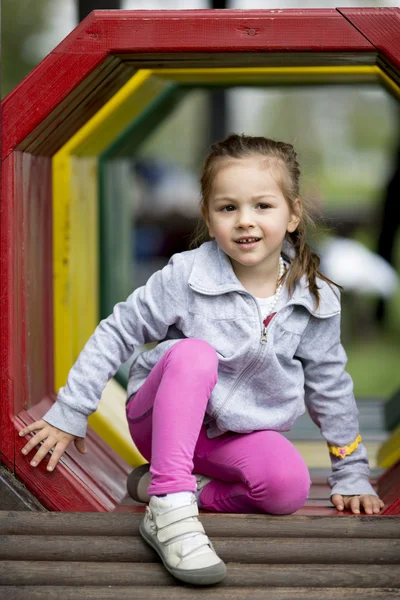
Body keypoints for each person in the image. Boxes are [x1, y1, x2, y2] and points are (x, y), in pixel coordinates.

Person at [18, 134, 384, 586]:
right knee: (195, 354)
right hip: (161, 418)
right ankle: (170, 506)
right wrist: (71, 411)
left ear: (293, 214)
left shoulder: (314, 299)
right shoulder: (188, 274)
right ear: (209, 219)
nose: (245, 221)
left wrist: (350, 470)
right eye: (228, 208)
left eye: (262, 207)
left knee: (289, 487)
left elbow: (330, 384)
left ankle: (177, 488)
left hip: (230, 441)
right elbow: (119, 330)